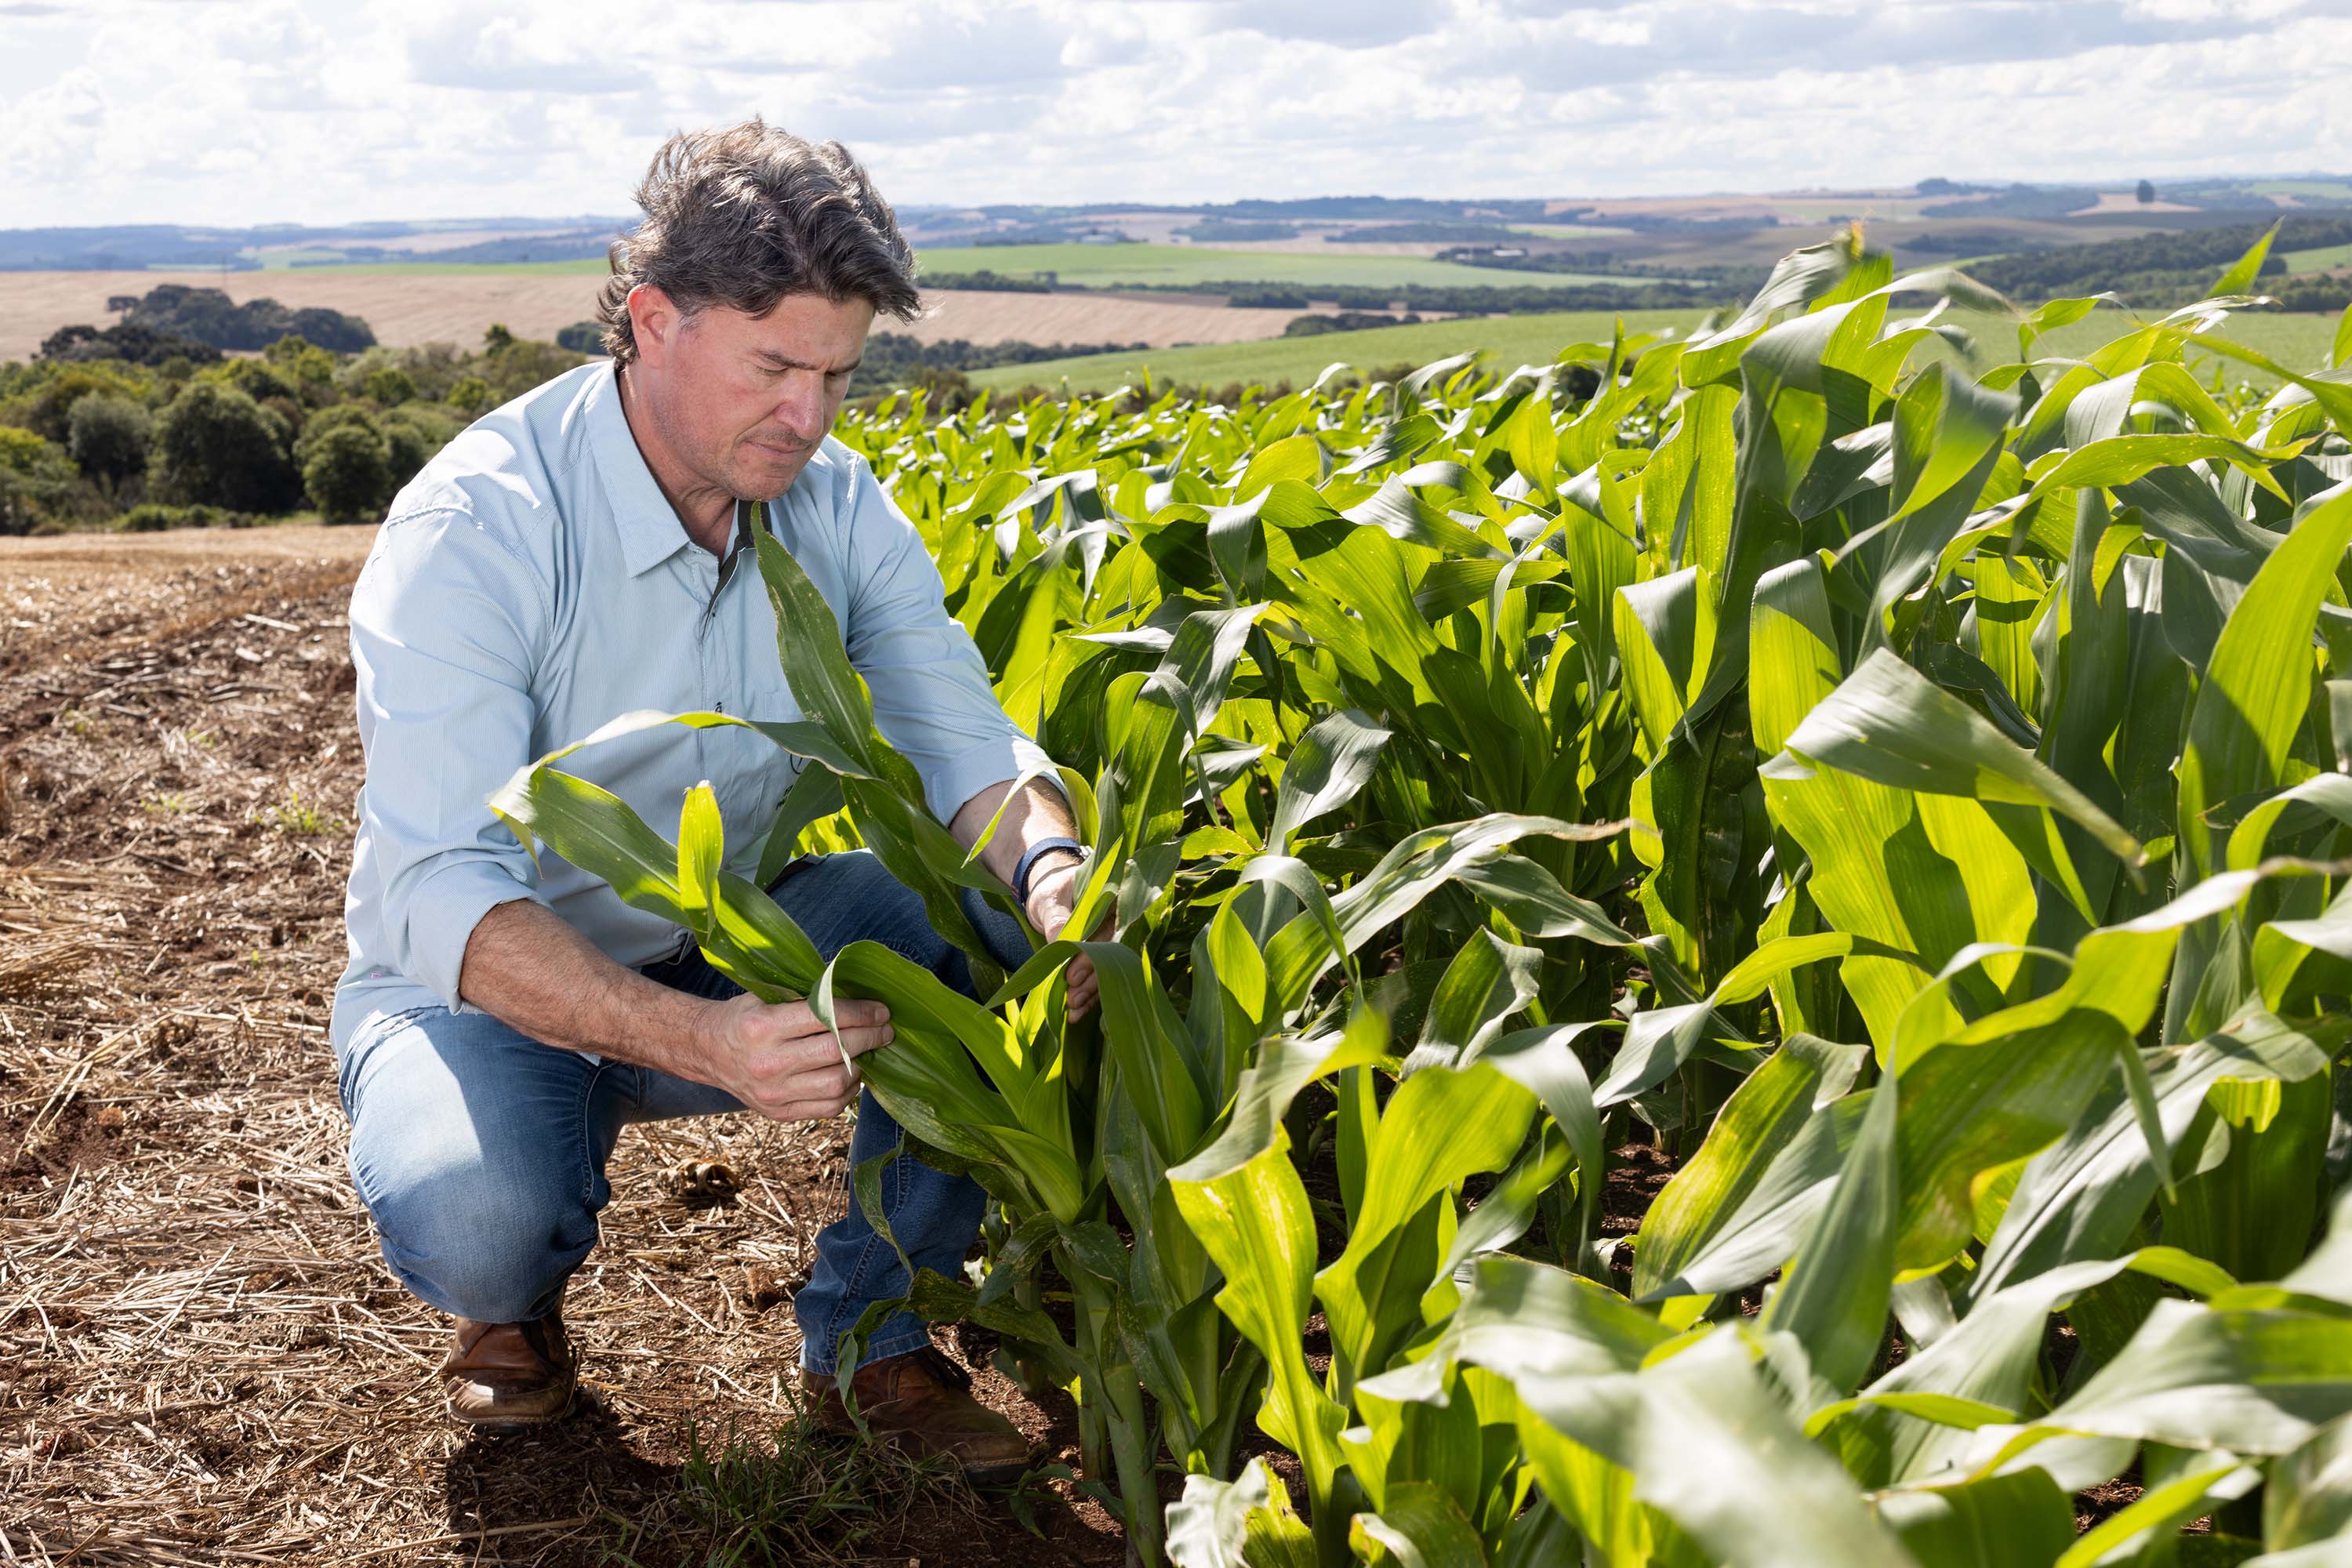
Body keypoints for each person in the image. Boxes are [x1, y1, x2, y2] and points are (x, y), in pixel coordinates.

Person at [328, 119, 1097, 1482]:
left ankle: (875, 1340)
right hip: (480, 982)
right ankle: (514, 1300)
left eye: (839, 374)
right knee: (480, 1215)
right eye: (776, 367)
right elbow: (440, 886)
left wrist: (1047, 869)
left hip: (726, 936)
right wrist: (701, 1043)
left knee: (992, 934)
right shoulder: (483, 527)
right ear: (653, 321)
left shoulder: (834, 502)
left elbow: (959, 738)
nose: (809, 415)